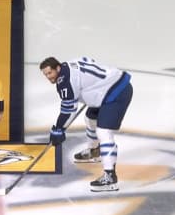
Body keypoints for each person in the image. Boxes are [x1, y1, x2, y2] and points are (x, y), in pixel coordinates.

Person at [39, 56, 132, 192]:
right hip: (107, 88)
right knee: (90, 118)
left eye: (50, 73)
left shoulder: (65, 82)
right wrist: (91, 84)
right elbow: (88, 60)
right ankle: (94, 152)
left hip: (117, 93)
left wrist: (58, 129)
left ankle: (110, 177)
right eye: (45, 74)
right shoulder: (69, 64)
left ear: (58, 68)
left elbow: (68, 110)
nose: (48, 77)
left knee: (104, 132)